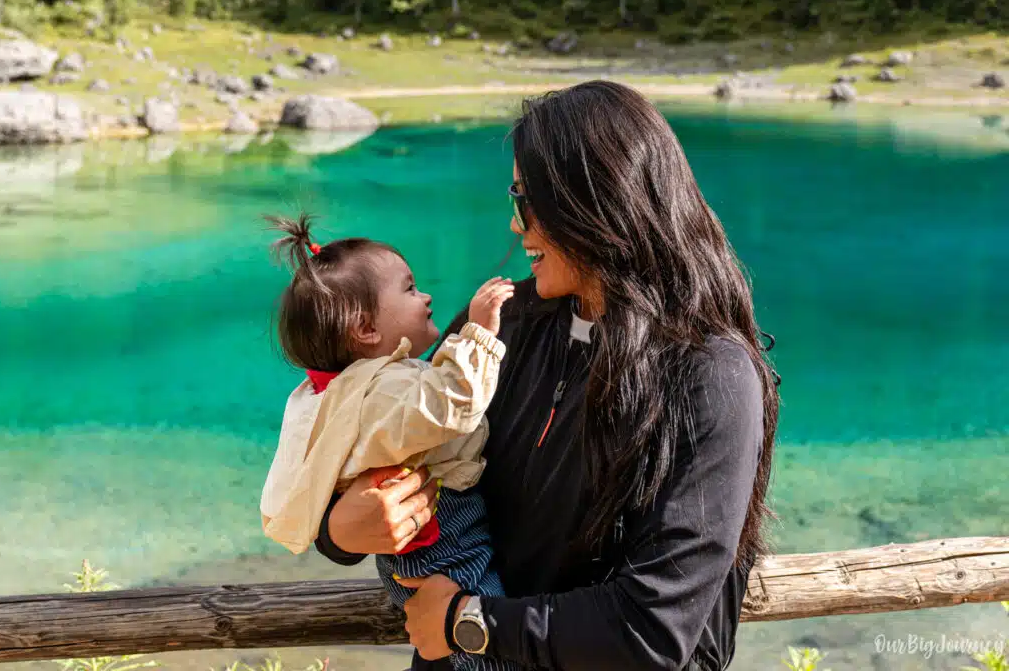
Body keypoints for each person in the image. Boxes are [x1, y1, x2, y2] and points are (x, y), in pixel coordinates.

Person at [312, 80, 780, 671]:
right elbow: (389, 446)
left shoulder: (709, 376)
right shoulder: (500, 324)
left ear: (591, 203)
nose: (515, 225)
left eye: (525, 199)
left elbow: (657, 630)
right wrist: (342, 531)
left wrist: (468, 622)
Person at [258, 213, 520, 671]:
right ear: (366, 330)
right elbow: (454, 405)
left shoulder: (338, 391)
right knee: (487, 657)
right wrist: (479, 334)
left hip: (417, 551)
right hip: (446, 542)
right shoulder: (382, 389)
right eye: (410, 289)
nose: (427, 296)